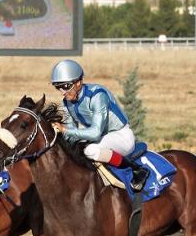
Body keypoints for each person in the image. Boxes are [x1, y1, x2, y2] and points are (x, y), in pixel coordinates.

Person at [51, 60, 150, 192]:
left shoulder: (97, 95)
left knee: (89, 150)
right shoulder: (67, 102)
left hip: (121, 136)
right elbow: (71, 135)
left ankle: (137, 170)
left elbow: (95, 133)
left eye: (66, 86)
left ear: (78, 82)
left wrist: (65, 130)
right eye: (58, 87)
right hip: (102, 138)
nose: (63, 92)